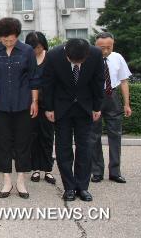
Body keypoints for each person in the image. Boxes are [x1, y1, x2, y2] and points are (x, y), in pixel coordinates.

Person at [43, 38, 104, 201]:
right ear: (66, 54)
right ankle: (69, 187)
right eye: (73, 61)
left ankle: (82, 187)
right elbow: (47, 84)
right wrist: (48, 108)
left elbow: (99, 81)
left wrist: (97, 107)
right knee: (63, 149)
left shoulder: (96, 54)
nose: (77, 64)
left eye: (80, 62)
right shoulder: (54, 55)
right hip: (61, 108)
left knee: (85, 148)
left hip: (85, 108)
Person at [0, 18, 39, 199]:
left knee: (23, 142)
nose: (8, 42)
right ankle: (7, 180)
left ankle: (21, 180)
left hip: (23, 103)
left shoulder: (27, 51)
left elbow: (33, 78)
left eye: (12, 39)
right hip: (0, 104)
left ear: (17, 36)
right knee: (3, 142)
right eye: (5, 40)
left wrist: (34, 101)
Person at [91, 32, 132, 184]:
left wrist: (127, 104)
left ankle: (115, 172)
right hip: (95, 98)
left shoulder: (117, 57)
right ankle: (97, 171)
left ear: (113, 45)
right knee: (93, 136)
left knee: (115, 135)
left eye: (109, 47)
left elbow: (124, 81)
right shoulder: (89, 58)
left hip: (112, 96)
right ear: (95, 45)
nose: (106, 51)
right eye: (102, 48)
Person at [25, 32, 56, 185]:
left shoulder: (51, 58)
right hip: (30, 104)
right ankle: (35, 168)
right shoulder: (27, 58)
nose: (37, 50)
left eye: (39, 47)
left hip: (48, 104)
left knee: (47, 135)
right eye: (34, 47)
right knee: (32, 136)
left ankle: (48, 169)